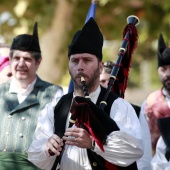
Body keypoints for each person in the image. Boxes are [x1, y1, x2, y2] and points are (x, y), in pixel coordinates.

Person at [28, 18, 143, 170]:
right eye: (75, 61)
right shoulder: (56, 107)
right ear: (69, 66)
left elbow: (134, 150)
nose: (80, 67)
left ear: (100, 67)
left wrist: (93, 143)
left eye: (87, 60)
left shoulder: (118, 106)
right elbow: (35, 155)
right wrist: (47, 148)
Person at [0, 22, 63, 169]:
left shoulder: (54, 93)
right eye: (16, 58)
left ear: (38, 62)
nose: (21, 64)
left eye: (27, 59)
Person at [100, 61, 152, 170]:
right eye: (102, 81)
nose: (107, 85)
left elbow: (144, 155)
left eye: (110, 81)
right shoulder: (94, 112)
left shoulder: (135, 111)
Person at [143, 33, 170, 154]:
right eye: (163, 69)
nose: (168, 74)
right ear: (158, 71)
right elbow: (145, 142)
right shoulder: (150, 103)